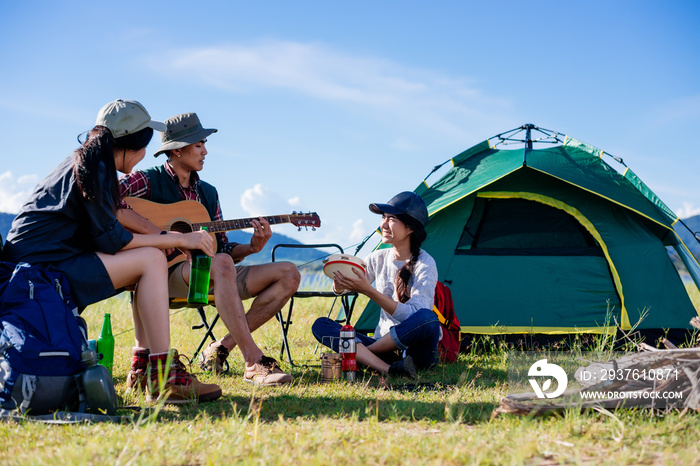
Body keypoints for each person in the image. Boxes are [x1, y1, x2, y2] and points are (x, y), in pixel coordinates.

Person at [3, 99, 222, 404]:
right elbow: (115, 240)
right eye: (145, 145)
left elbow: (119, 212)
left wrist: (163, 234)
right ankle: (161, 377)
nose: (146, 154)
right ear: (132, 145)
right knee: (150, 259)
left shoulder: (92, 161)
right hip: (35, 275)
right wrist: (180, 240)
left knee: (151, 256)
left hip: (48, 264)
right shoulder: (94, 168)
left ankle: (147, 367)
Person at [118, 112, 300, 386]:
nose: (205, 151)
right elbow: (106, 199)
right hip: (162, 274)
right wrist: (158, 234)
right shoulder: (147, 180)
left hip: (210, 274)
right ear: (177, 149)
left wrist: (251, 247)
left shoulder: (208, 193)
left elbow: (222, 246)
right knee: (222, 262)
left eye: (204, 144)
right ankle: (253, 361)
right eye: (198, 144)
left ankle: (221, 347)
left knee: (289, 273)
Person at [312, 191, 441, 377]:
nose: (384, 224)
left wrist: (368, 291)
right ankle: (388, 369)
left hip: (416, 352)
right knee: (321, 324)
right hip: (384, 349)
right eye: (383, 217)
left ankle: (361, 355)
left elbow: (414, 316)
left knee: (427, 318)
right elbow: (349, 286)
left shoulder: (425, 264)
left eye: (392, 219)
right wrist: (340, 285)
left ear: (410, 228)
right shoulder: (377, 258)